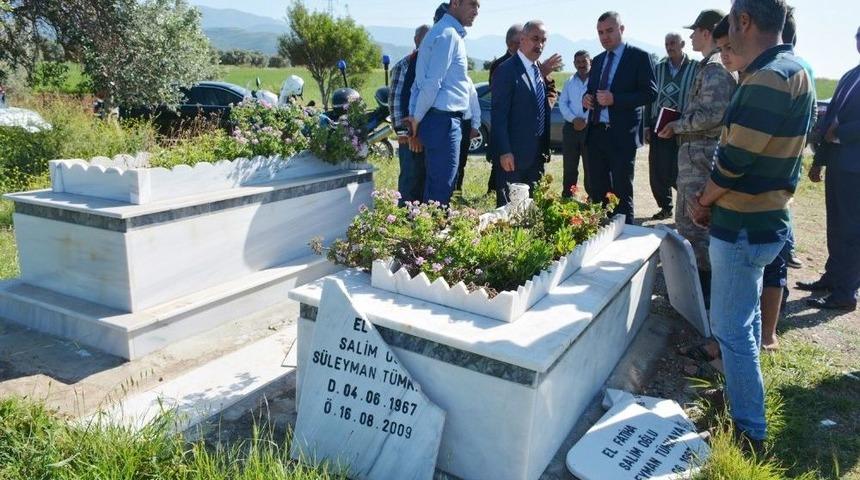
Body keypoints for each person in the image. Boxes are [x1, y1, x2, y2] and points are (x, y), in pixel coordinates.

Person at [689, 0, 814, 451]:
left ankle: (748, 430)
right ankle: (742, 393)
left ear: (744, 21)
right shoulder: (795, 67)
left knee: (732, 327)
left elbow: (735, 160)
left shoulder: (768, 79)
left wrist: (702, 201)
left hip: (742, 222)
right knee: (744, 318)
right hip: (763, 219)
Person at [658, 9, 736, 306]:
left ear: (708, 32)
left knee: (696, 226)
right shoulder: (712, 65)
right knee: (689, 223)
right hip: (696, 154)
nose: (691, 36)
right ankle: (699, 294)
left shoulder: (716, 68)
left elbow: (713, 114)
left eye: (695, 31)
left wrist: (676, 124)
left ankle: (704, 297)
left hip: (701, 155)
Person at [798, 25, 860, 312]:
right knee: (836, 226)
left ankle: (846, 292)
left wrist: (840, 133)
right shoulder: (851, 74)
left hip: (855, 166)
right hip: (838, 163)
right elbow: (831, 114)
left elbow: (839, 126)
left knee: (851, 230)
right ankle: (832, 279)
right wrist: (819, 159)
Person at [583, 11, 657, 224]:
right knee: (597, 191)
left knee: (622, 192)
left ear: (621, 30)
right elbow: (591, 90)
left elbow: (650, 93)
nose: (604, 36)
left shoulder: (640, 57)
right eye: (600, 32)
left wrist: (616, 99)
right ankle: (600, 234)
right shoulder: (596, 61)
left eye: (609, 31)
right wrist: (586, 99)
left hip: (622, 136)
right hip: (596, 134)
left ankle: (625, 241)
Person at [406, 0, 480, 205]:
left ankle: (431, 231)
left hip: (441, 120)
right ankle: (433, 234)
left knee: (438, 186)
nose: (476, 11)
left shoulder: (444, 32)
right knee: (441, 191)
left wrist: (416, 115)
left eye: (479, 6)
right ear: (455, 3)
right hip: (443, 121)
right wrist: (416, 119)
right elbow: (431, 83)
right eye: (472, 4)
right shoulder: (447, 34)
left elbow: (420, 85)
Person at [491, 20, 551, 206]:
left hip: (536, 156)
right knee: (508, 212)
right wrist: (504, 151)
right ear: (522, 39)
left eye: (543, 40)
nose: (539, 45)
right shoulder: (506, 70)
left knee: (530, 213)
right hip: (513, 158)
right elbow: (499, 115)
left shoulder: (536, 71)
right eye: (535, 39)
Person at [646, 33, 697, 220]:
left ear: (683, 44)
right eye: (666, 43)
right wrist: (645, 126)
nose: (669, 46)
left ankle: (689, 209)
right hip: (658, 124)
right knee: (658, 169)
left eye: (673, 43)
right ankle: (665, 207)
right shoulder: (658, 68)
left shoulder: (696, 68)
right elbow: (649, 98)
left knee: (680, 169)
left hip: (684, 126)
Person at [390, 24, 431, 204]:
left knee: (424, 179)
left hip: (427, 134)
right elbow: (396, 101)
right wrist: (404, 134)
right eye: (426, 39)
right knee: (410, 179)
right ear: (417, 40)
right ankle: (404, 220)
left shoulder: (432, 65)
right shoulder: (404, 65)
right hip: (409, 136)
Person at [558, 50, 591, 197]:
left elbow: (599, 104)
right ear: (574, 64)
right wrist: (574, 119)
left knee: (591, 166)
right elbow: (563, 103)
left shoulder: (596, 81)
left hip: (590, 129)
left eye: (584, 61)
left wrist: (585, 120)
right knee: (570, 165)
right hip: (571, 128)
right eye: (578, 62)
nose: (581, 65)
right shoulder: (569, 82)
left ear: (590, 62)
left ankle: (593, 197)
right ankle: (568, 196)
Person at [455, 79, 481, 192]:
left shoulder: (468, 80)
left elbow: (474, 102)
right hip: (447, 121)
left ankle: (457, 191)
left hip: (465, 123)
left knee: (461, 160)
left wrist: (475, 125)